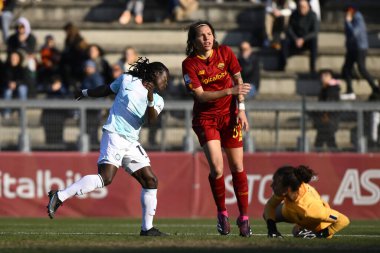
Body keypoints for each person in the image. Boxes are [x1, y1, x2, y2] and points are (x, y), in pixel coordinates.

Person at [47, 57, 170, 237]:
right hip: (114, 134)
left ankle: (147, 228)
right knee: (105, 178)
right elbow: (106, 89)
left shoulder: (159, 100)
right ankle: (60, 196)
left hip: (131, 141)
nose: (166, 82)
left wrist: (150, 97)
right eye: (164, 78)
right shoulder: (128, 79)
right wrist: (85, 92)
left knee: (150, 180)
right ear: (155, 74)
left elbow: (152, 120)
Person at [182, 20, 252, 237]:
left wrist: (241, 108)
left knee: (238, 166)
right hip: (206, 119)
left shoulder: (225, 52)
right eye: (201, 35)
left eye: (209, 33)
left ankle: (244, 218)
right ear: (193, 41)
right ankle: (222, 213)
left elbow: (238, 79)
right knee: (217, 167)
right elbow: (200, 96)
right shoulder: (189, 64)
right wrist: (230, 92)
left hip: (230, 116)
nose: (207, 38)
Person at [264, 165, 350, 239]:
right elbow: (270, 205)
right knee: (267, 215)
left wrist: (322, 234)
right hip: (291, 211)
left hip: (314, 222)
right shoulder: (288, 189)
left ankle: (304, 229)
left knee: (297, 232)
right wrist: (272, 229)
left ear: (288, 189)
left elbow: (343, 220)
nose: (271, 185)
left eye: (276, 183)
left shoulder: (312, 209)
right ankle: (302, 228)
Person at [340, 5, 380, 101]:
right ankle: (350, 91)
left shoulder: (358, 18)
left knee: (361, 68)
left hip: (359, 48)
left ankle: (375, 87)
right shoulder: (350, 18)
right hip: (352, 48)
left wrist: (348, 22)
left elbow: (354, 33)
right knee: (346, 69)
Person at [280, 0, 319, 73]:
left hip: (306, 41)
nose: (302, 9)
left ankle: (313, 67)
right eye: (300, 7)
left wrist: (303, 39)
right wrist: (295, 39)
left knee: (314, 40)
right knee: (284, 41)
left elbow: (315, 32)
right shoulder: (294, 14)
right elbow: (289, 29)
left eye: (304, 7)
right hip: (295, 40)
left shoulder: (313, 15)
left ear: (308, 7)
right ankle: (282, 65)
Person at [312, 69, 340, 151]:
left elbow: (329, 104)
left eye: (325, 76)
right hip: (325, 121)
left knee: (325, 143)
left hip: (328, 121)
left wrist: (325, 116)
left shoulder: (332, 89)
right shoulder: (326, 88)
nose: (322, 78)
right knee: (327, 143)